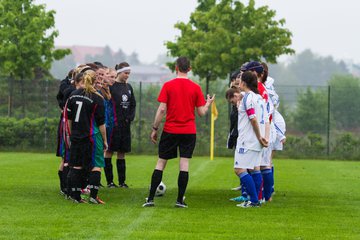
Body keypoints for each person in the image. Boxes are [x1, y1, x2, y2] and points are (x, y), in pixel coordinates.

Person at [142, 56, 215, 208]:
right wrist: (208, 104)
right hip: (188, 131)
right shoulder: (196, 87)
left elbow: (162, 109)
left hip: (170, 130)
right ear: (190, 68)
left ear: (176, 68)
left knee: (161, 162)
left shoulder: (168, 85)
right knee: (184, 164)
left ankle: (150, 199)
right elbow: (201, 113)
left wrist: (155, 128)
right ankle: (179, 200)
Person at [64, 69, 108, 204]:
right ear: (95, 82)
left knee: (76, 166)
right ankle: (93, 197)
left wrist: (71, 134)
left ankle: (75, 196)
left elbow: (69, 119)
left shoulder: (73, 95)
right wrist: (105, 141)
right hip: (91, 137)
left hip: (76, 136)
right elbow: (101, 124)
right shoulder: (97, 98)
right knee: (96, 165)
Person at [231, 71, 268, 208]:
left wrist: (259, 137)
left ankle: (253, 201)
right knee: (254, 169)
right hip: (257, 140)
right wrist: (263, 137)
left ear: (244, 83)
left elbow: (253, 119)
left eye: (240, 79)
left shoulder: (248, 99)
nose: (238, 81)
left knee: (239, 169)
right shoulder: (258, 98)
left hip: (248, 140)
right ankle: (255, 200)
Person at [104, 62, 136, 188]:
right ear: (119, 72)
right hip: (113, 125)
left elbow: (133, 104)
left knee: (122, 153)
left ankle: (122, 182)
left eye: (129, 73)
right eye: (125, 73)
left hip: (125, 125)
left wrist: (130, 117)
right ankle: (110, 182)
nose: (127, 75)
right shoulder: (111, 86)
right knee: (109, 151)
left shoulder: (129, 87)